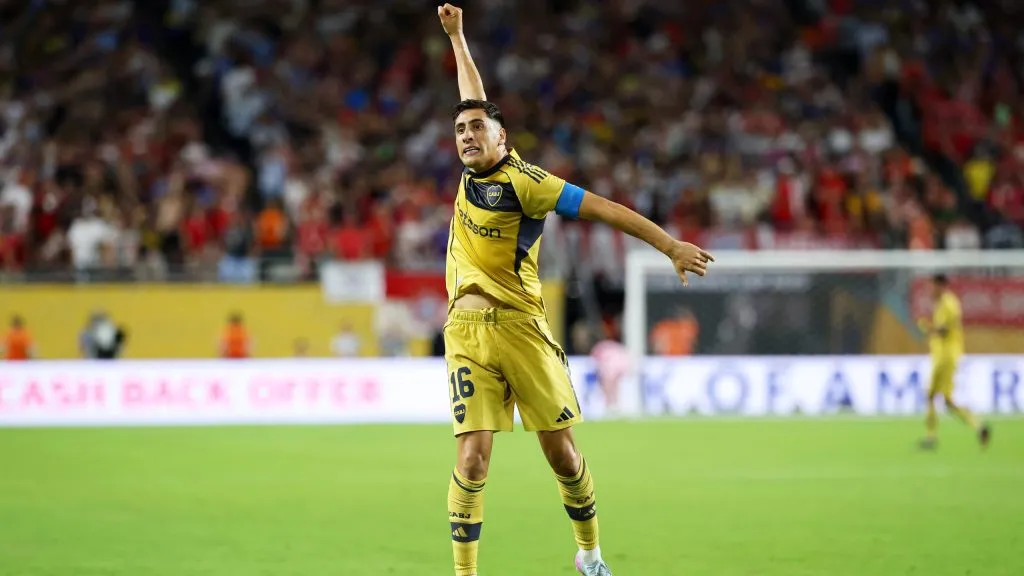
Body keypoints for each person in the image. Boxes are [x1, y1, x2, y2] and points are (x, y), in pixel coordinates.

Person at [435, 5, 714, 576]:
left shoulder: (528, 183)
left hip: (522, 330)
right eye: (460, 130)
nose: (466, 135)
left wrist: (669, 246)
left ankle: (589, 555)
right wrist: (459, 37)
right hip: (465, 333)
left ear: (501, 137)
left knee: (561, 455)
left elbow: (605, 209)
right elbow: (473, 97)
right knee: (473, 456)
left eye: (476, 129)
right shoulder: (471, 173)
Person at [917, 274, 990, 449]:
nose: (930, 290)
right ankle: (977, 427)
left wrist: (927, 327)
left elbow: (944, 330)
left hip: (947, 357)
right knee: (939, 398)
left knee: (938, 397)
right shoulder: (942, 303)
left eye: (932, 286)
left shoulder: (950, 304)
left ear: (941, 285)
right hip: (943, 355)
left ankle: (933, 437)